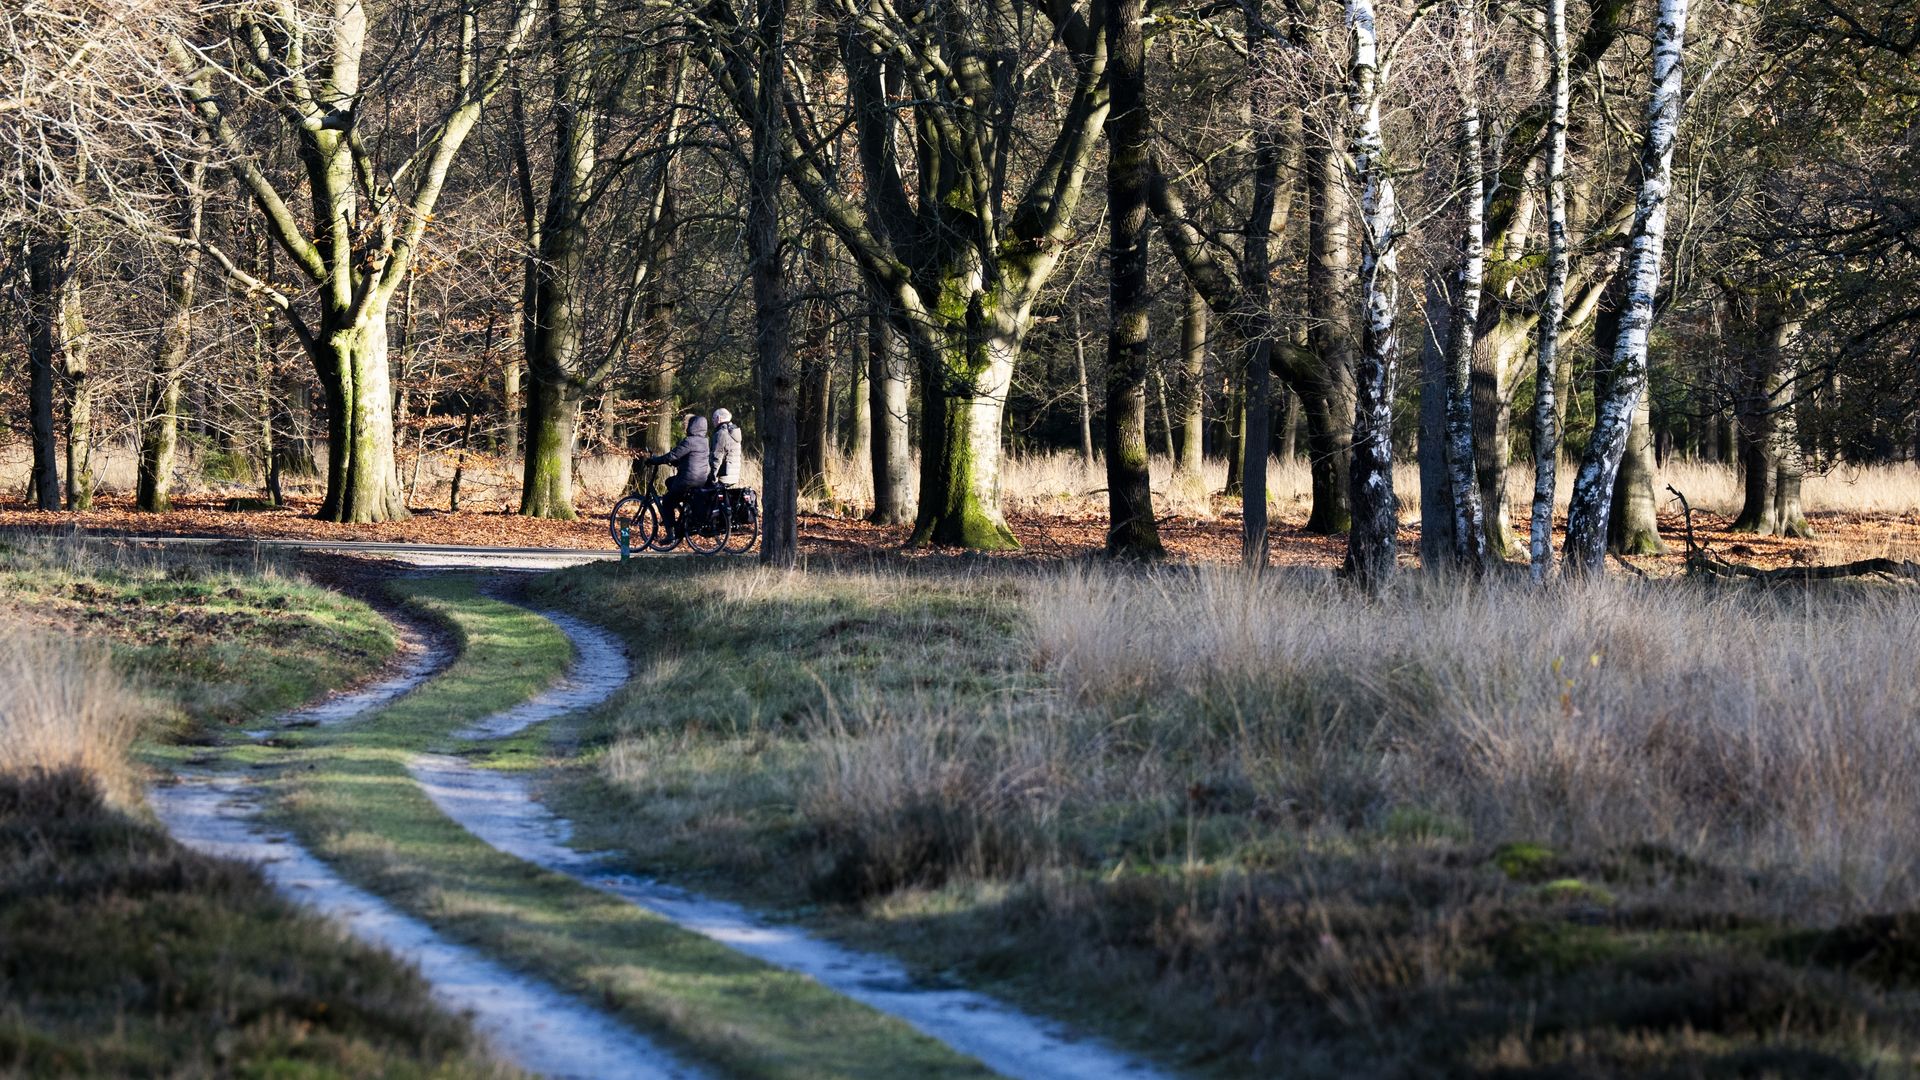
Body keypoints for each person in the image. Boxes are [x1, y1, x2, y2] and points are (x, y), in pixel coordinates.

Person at [648, 413, 710, 535]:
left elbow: (673, 455)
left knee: (666, 501)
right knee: (669, 482)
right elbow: (691, 458)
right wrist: (677, 463)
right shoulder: (704, 441)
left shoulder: (689, 441)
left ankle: (671, 533)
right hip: (701, 479)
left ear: (693, 426)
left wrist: (655, 460)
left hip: (688, 479)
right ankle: (681, 513)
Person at [710, 408, 743, 487]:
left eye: (713, 418)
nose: (712, 421)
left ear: (719, 418)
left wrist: (712, 478)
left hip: (723, 476)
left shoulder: (721, 433)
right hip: (733, 476)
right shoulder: (734, 431)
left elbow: (717, 457)